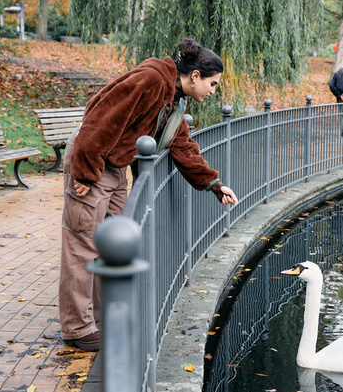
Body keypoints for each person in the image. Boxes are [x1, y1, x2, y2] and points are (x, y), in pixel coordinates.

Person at [59, 37, 238, 351]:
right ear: (195, 76)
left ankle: (106, 322)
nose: (213, 91)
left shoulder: (174, 100)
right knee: (83, 243)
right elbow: (102, 116)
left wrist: (213, 184)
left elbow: (182, 146)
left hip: (114, 165)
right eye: (213, 84)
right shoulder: (153, 79)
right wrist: (85, 168)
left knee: (113, 248)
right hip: (93, 160)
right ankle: (76, 328)